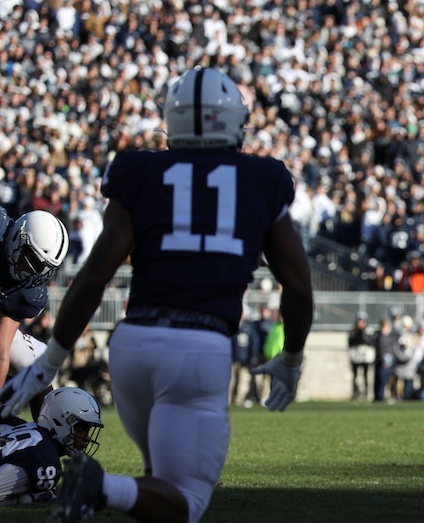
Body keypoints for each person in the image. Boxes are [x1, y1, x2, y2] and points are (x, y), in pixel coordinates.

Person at [0, 67, 314, 523]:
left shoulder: (138, 169)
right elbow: (299, 285)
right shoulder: (263, 178)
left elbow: (93, 277)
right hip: (199, 349)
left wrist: (50, 361)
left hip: (132, 347)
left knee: (156, 482)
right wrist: (291, 358)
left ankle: (107, 489)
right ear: (236, 124)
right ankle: (98, 486)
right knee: (185, 499)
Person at [0, 209, 70, 420]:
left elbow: (2, 351)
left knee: (37, 362)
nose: (32, 271)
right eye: (31, 260)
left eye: (42, 267)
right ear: (17, 238)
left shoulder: (28, 292)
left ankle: (44, 443)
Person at [0, 387, 103, 506]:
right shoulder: (43, 457)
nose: (87, 438)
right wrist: (27, 499)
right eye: (82, 429)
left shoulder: (27, 428)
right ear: (60, 422)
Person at [347, 311, 376, 401]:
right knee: (355, 377)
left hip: (365, 358)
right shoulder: (353, 332)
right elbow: (351, 342)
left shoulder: (369, 331)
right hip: (356, 357)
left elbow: (371, 342)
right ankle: (355, 394)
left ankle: (367, 394)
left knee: (366, 376)